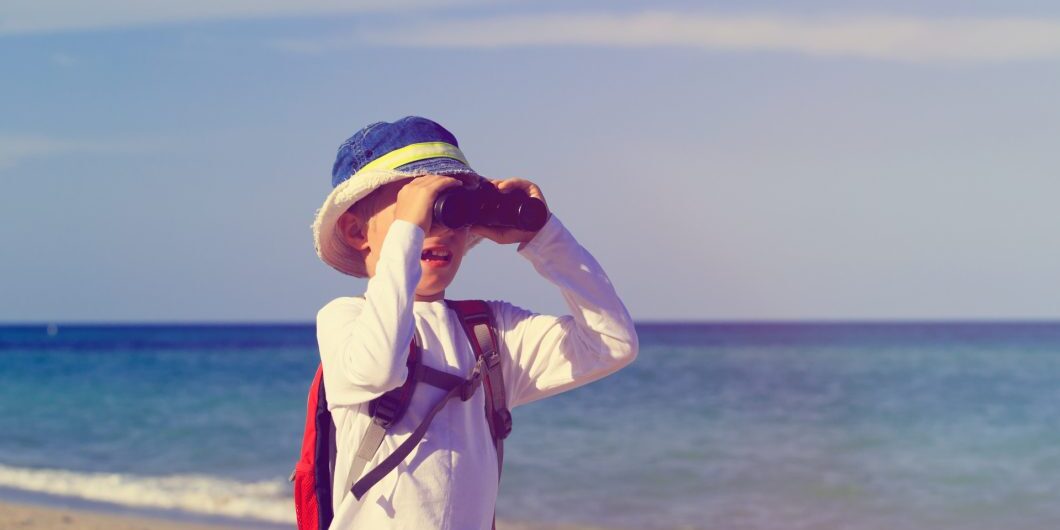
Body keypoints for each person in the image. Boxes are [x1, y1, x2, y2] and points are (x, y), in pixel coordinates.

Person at [311, 116, 638, 529]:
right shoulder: (344, 319)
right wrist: (409, 230)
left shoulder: (488, 333)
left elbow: (612, 343)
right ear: (357, 231)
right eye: (417, 209)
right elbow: (379, 367)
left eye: (452, 211)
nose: (438, 228)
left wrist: (544, 236)